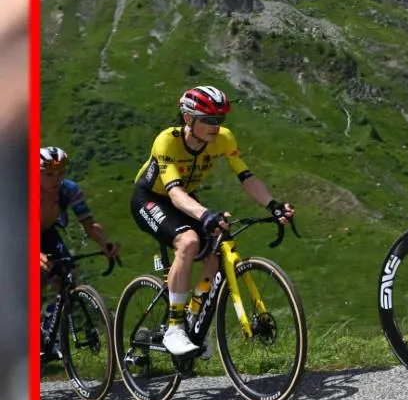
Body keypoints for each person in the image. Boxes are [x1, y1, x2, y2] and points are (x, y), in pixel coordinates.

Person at [129, 85, 294, 359]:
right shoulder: (167, 141)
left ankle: (195, 318)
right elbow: (174, 193)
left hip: (186, 198)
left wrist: (273, 205)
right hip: (151, 198)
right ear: (188, 118)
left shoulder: (224, 139)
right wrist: (205, 214)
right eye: (208, 120)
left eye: (220, 119)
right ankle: (174, 328)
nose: (216, 126)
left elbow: (246, 177)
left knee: (217, 246)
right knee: (188, 241)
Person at [37, 144, 120, 277]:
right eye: (49, 175)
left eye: (61, 173)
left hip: (46, 233)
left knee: (69, 274)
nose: (56, 179)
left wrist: (105, 243)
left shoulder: (69, 190)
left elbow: (90, 226)